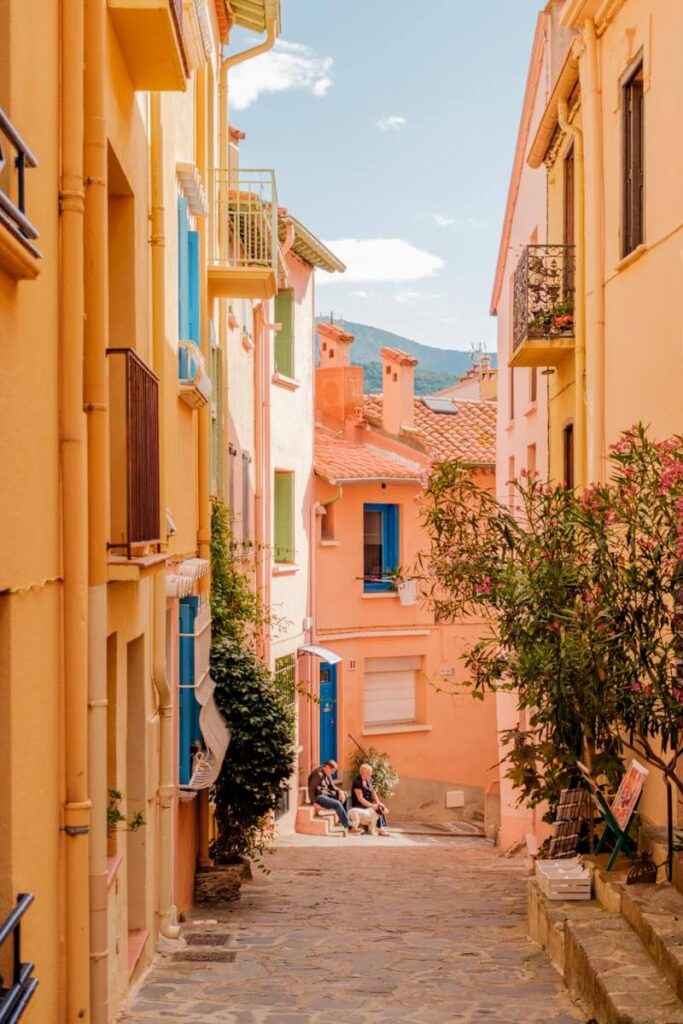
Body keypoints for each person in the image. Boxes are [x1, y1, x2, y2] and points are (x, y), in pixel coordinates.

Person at [307, 760, 361, 834]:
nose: (333, 773)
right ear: (328, 767)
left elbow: (332, 786)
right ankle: (349, 827)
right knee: (337, 804)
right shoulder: (318, 774)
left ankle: (342, 819)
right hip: (319, 796)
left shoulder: (327, 773)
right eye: (333, 770)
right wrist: (313, 803)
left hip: (327, 794)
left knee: (344, 795)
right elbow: (311, 789)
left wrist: (340, 791)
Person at [351, 763, 390, 836]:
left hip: (368, 803)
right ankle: (380, 829)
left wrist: (378, 802)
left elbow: (373, 792)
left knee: (380, 806)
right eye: (369, 773)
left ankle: (381, 828)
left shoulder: (368, 780)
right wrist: (372, 805)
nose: (370, 774)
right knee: (377, 809)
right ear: (364, 772)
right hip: (360, 804)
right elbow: (360, 799)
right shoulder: (357, 782)